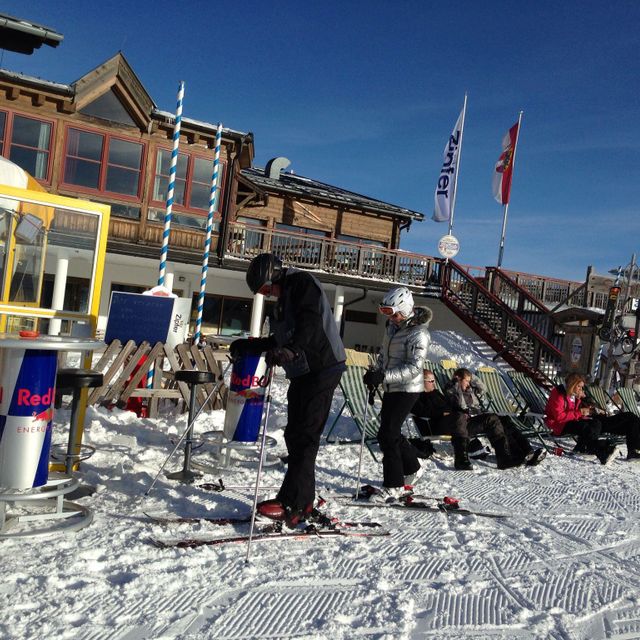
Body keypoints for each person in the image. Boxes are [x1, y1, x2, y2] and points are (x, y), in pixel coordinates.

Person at [230, 253, 346, 525]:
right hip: (303, 371)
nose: (269, 295)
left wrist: (291, 350)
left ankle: (295, 504)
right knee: (295, 435)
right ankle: (300, 497)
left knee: (305, 436)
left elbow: (310, 324)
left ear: (276, 275)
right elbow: (280, 337)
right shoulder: (283, 301)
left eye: (268, 289)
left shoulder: (302, 284)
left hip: (322, 367)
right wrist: (251, 346)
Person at [362, 286, 432, 501]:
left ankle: (393, 485)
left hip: (409, 388)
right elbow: (385, 353)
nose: (390, 318)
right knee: (389, 431)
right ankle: (413, 466)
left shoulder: (419, 333)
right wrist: (376, 373)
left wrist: (384, 377)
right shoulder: (392, 327)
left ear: (405, 308)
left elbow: (414, 368)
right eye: (385, 312)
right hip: (392, 387)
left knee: (388, 434)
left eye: (392, 313)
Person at [444, 368, 546, 469]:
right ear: (458, 379)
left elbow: (483, 388)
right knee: (492, 419)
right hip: (463, 424)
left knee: (505, 420)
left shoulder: (470, 391)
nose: (468, 383)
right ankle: (504, 458)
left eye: (469, 381)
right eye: (466, 381)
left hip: (475, 419)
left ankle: (527, 452)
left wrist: (470, 376)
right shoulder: (451, 390)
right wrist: (456, 382)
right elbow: (460, 405)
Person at [545, 373, 640, 464]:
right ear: (571, 385)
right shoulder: (558, 394)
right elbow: (559, 417)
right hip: (562, 424)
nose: (581, 389)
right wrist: (581, 411)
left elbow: (583, 410)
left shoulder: (576, 395)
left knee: (630, 417)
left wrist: (592, 408)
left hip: (584, 419)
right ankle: (601, 449)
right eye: (579, 386)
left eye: (582, 387)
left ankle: (634, 450)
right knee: (592, 425)